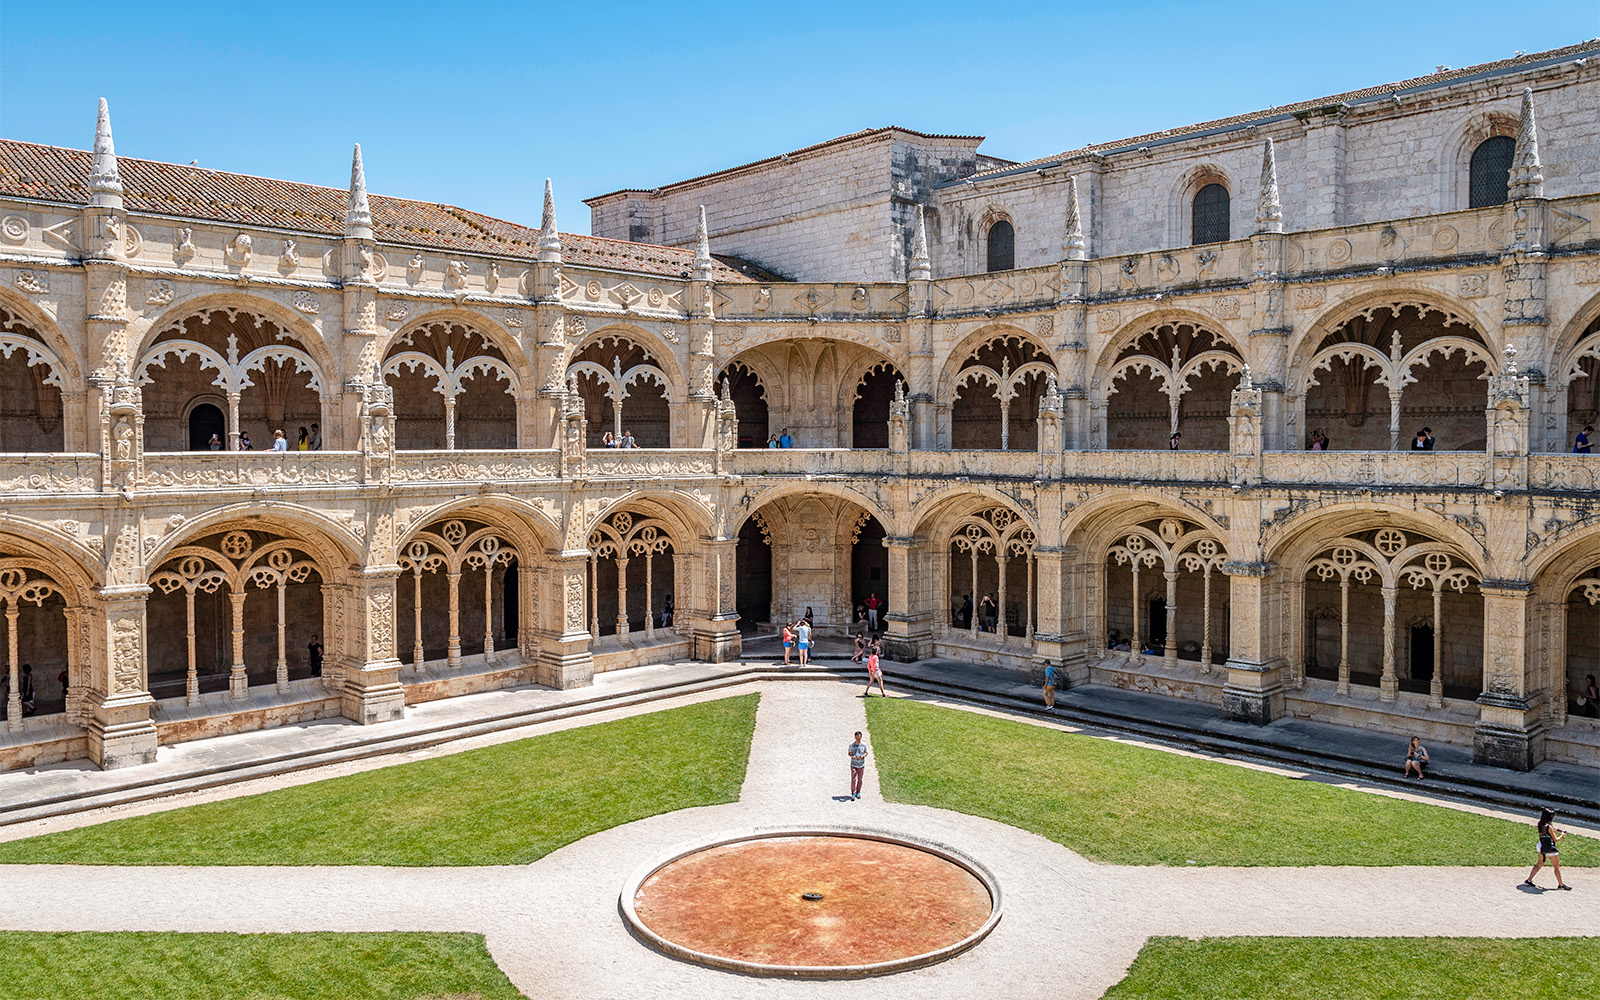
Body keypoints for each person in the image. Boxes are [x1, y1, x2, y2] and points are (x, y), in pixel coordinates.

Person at [1524, 808, 1570, 890]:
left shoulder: (1540, 823)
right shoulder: (1549, 826)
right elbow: (1555, 839)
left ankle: (1529, 879)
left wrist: (1556, 831)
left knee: (1539, 864)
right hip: (1549, 847)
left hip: (1541, 845)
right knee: (1556, 866)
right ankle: (1561, 885)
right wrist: (1562, 835)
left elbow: (1548, 831)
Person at [847, 731, 869, 800]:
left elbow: (866, 753)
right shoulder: (852, 745)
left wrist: (862, 756)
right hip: (854, 764)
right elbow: (849, 753)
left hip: (861, 765)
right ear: (855, 737)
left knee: (860, 779)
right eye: (857, 737)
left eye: (859, 737)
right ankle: (853, 792)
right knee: (853, 779)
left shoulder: (864, 745)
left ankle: (858, 792)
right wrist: (853, 757)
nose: (858, 739)